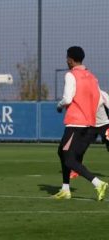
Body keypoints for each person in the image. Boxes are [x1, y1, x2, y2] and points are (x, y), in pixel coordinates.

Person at [54, 46, 108, 200]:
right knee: (61, 152)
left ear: (70, 60)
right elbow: (99, 99)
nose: (66, 60)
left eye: (67, 58)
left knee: (69, 159)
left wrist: (59, 105)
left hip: (75, 123)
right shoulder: (91, 76)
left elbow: (68, 99)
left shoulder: (71, 75)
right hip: (88, 124)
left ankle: (98, 183)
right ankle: (65, 189)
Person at [69, 90, 109, 179]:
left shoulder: (102, 94)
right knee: (80, 149)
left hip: (104, 125)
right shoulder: (82, 95)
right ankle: (76, 169)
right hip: (90, 126)